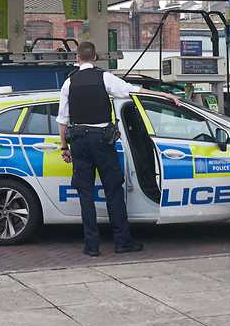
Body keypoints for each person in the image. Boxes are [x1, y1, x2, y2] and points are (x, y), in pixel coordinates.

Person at [56, 41, 178, 257]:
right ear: (95, 57)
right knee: (113, 191)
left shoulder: (68, 83)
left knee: (86, 194)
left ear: (77, 58)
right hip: (102, 141)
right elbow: (134, 90)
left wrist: (64, 147)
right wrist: (167, 96)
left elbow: (62, 120)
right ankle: (122, 242)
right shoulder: (105, 77)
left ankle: (91, 246)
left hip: (79, 142)